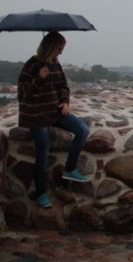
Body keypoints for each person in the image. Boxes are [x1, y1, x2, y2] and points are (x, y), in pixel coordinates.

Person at [17, 31, 90, 208]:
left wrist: (65, 101)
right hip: (36, 115)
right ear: (50, 46)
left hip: (54, 111)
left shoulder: (56, 64)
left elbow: (63, 86)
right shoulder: (32, 64)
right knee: (43, 153)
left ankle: (70, 168)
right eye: (59, 48)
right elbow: (23, 93)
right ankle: (41, 193)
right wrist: (38, 79)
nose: (61, 52)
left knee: (82, 130)